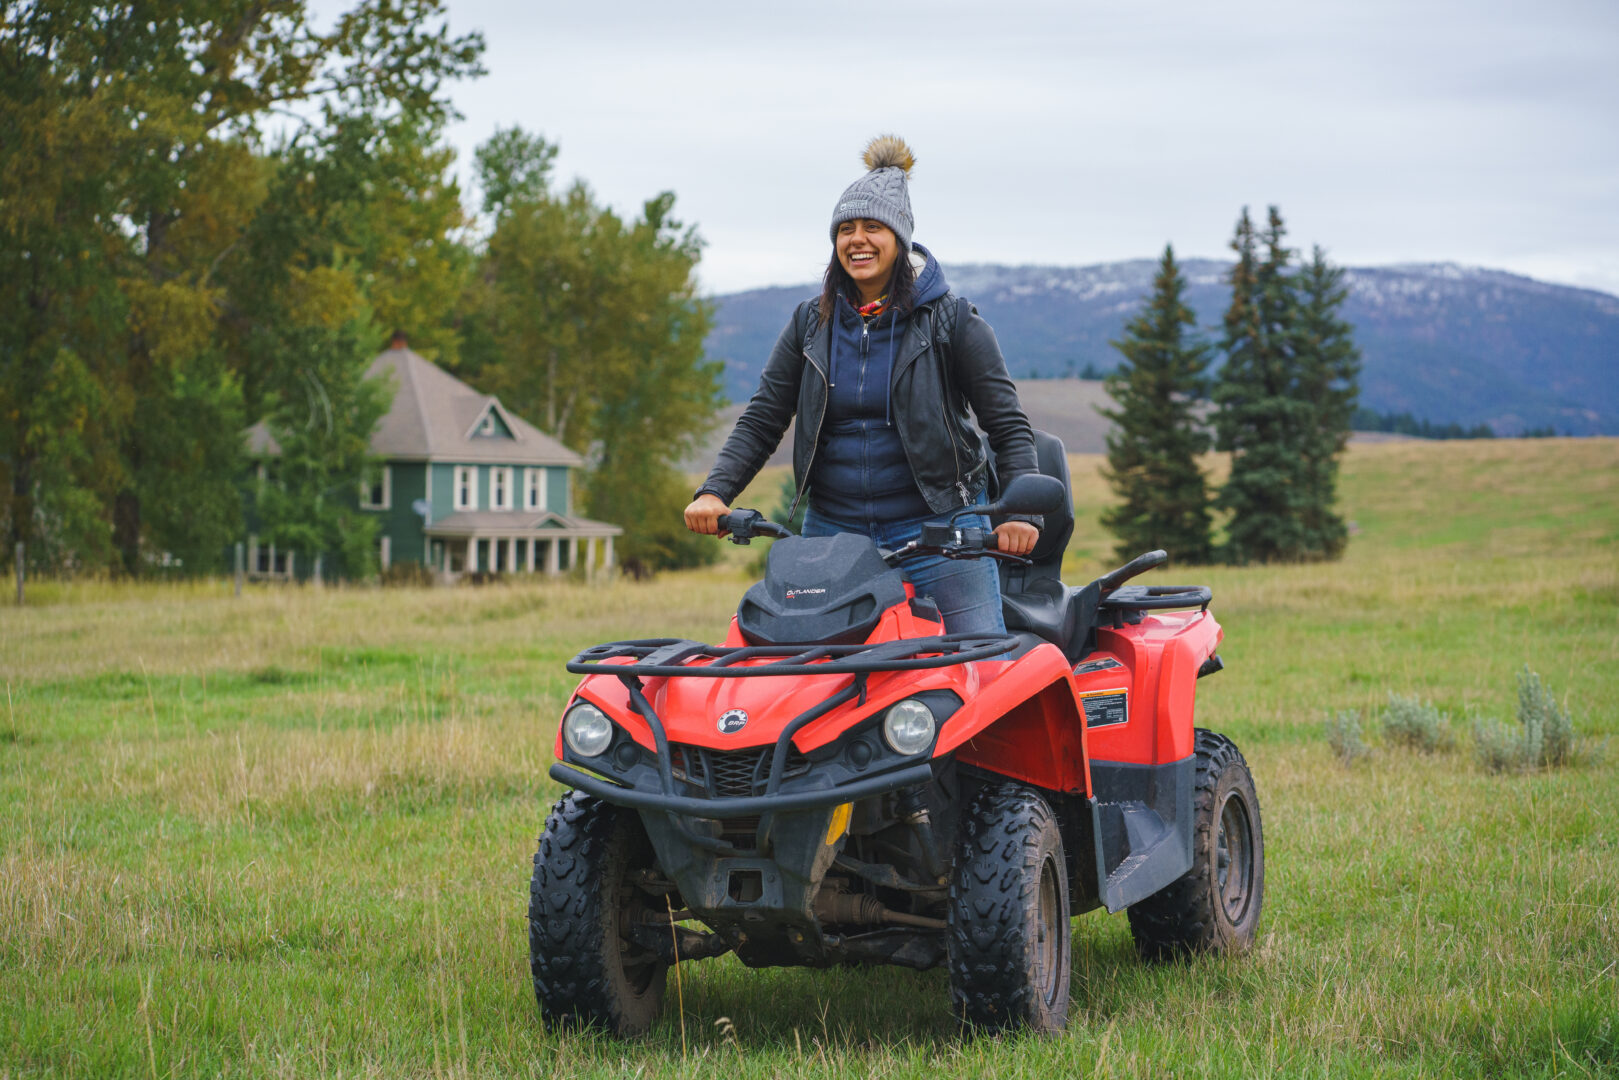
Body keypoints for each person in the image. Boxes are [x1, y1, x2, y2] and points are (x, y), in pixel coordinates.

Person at [684, 135, 1041, 635]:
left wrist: (1020, 513)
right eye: (846, 229)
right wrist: (715, 492)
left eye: (873, 227)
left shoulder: (952, 321)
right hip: (832, 535)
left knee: (978, 672)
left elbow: (1007, 426)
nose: (858, 240)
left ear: (900, 239)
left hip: (942, 533)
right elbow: (764, 416)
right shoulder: (811, 323)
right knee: (812, 678)